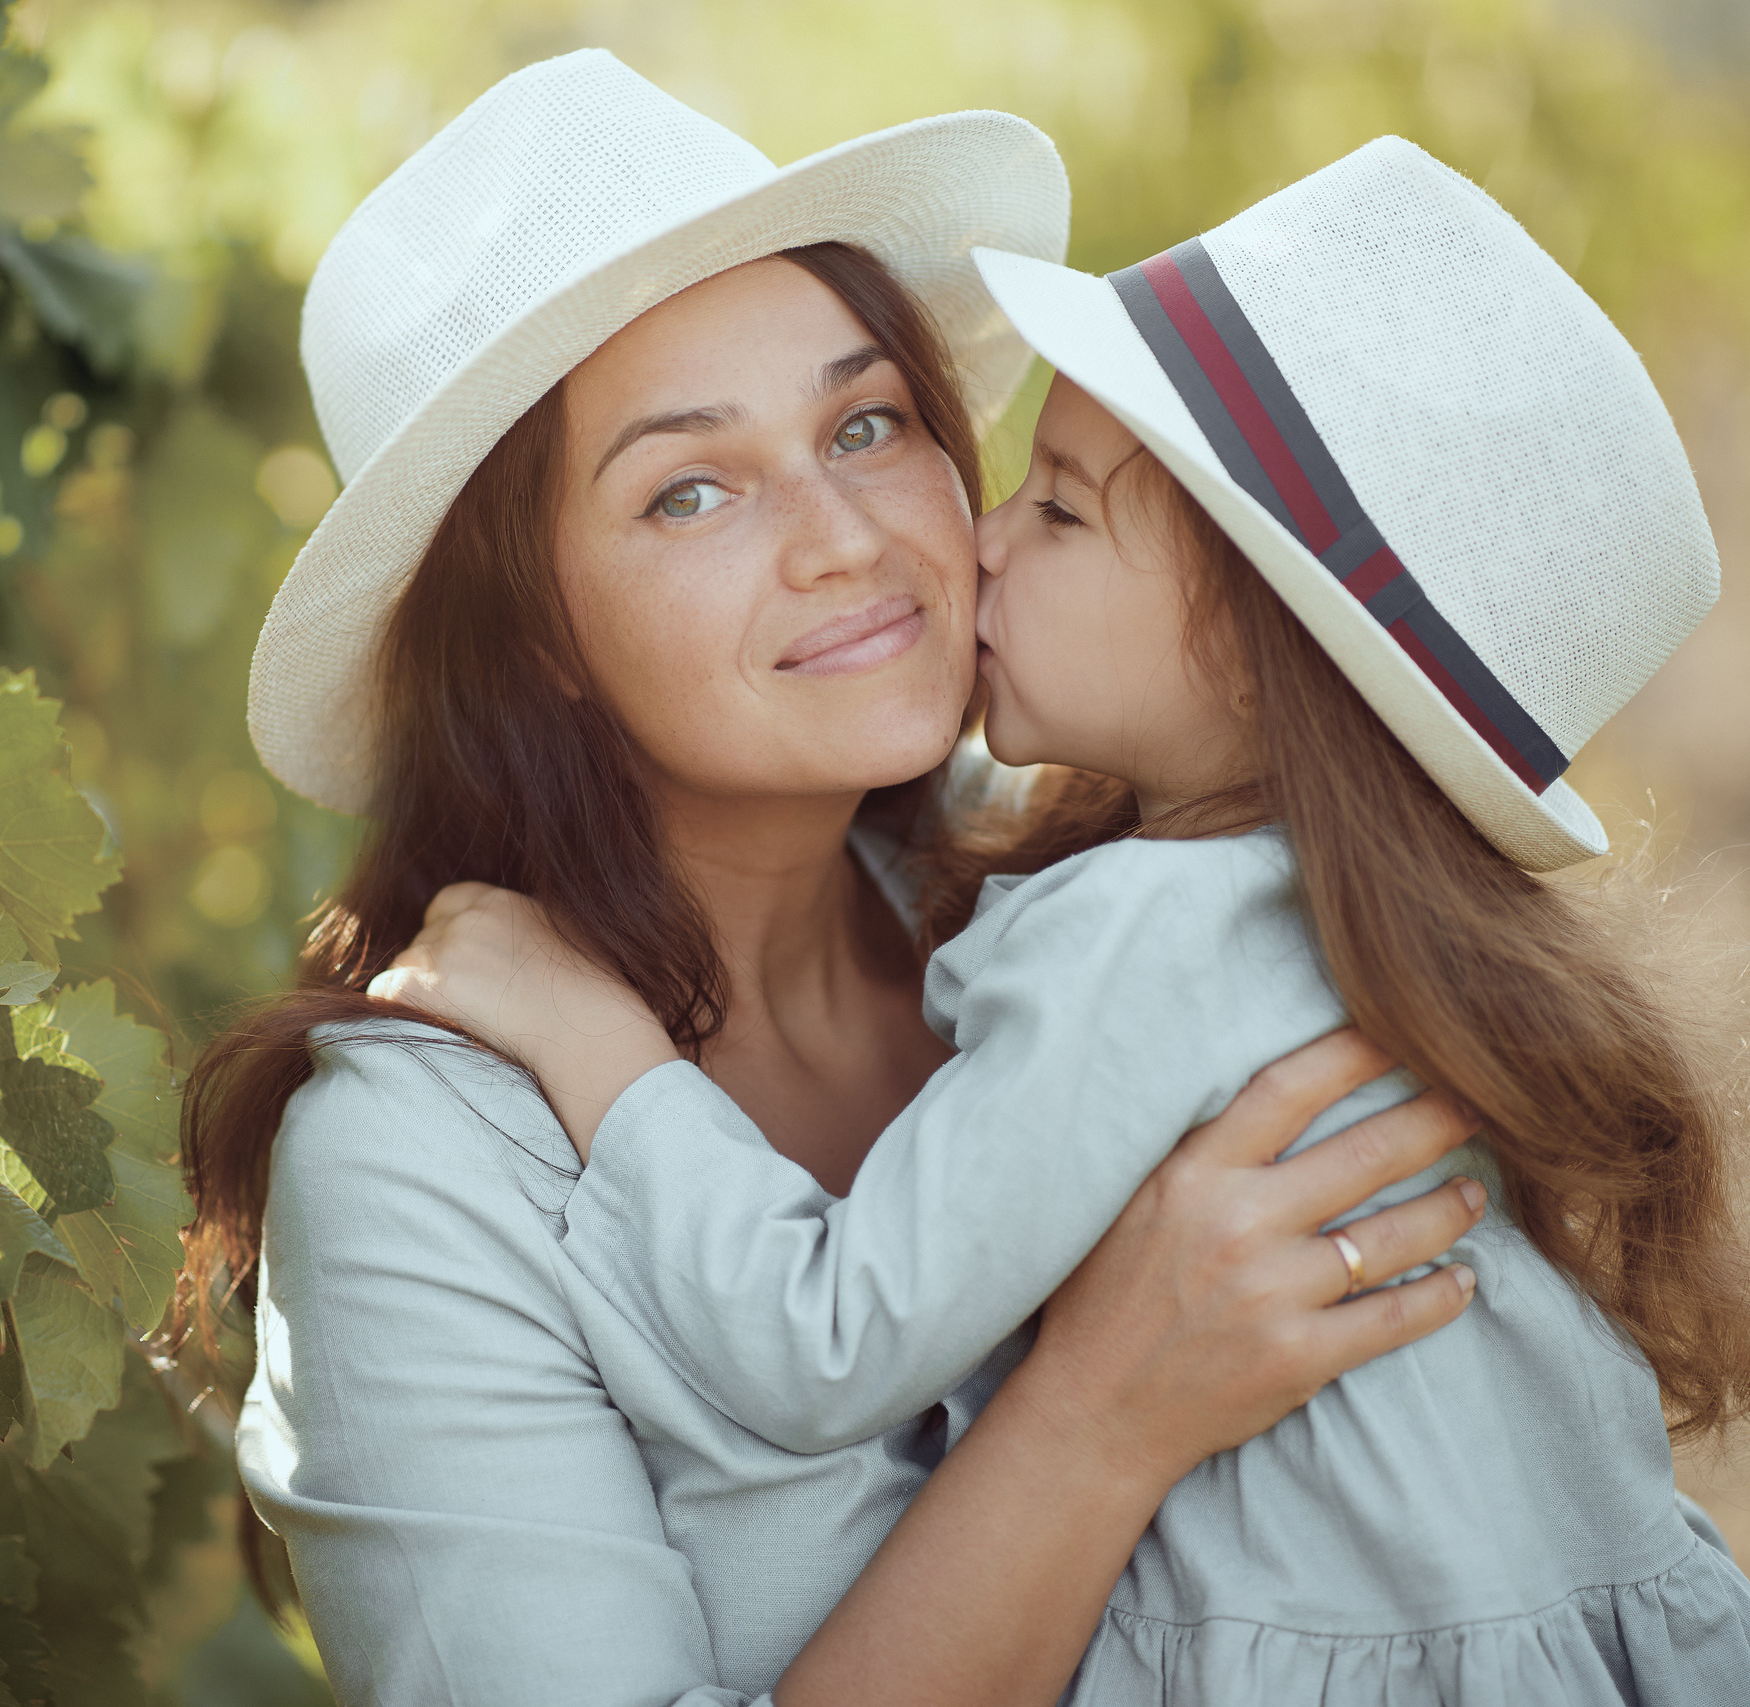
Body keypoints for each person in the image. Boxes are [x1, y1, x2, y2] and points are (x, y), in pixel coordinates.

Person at [380, 140, 1750, 1701]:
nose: (953, 539)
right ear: (533, 634)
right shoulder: (1322, 924)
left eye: (1053, 509)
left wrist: (600, 1047)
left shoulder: (1132, 937)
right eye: (690, 489)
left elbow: (827, 1346)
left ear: (1269, 657)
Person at [183, 53, 1487, 1706]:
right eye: (691, 489)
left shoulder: (1090, 903)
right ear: (533, 637)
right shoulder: (422, 1163)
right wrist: (1098, 1419)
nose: (847, 537)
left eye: (864, 423)